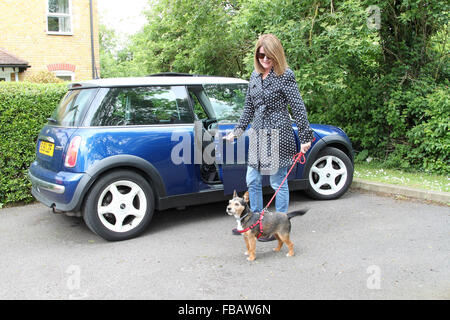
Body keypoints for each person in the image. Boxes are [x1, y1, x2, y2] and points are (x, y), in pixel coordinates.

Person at [224, 34, 314, 241]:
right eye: (261, 55)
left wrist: (305, 136)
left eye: (269, 56)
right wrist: (237, 131)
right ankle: (255, 223)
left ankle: (277, 224)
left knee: (277, 182)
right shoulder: (255, 76)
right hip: (257, 133)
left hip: (278, 134)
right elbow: (248, 107)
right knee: (252, 180)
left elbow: (298, 108)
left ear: (277, 55)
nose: (264, 59)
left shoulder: (285, 75)